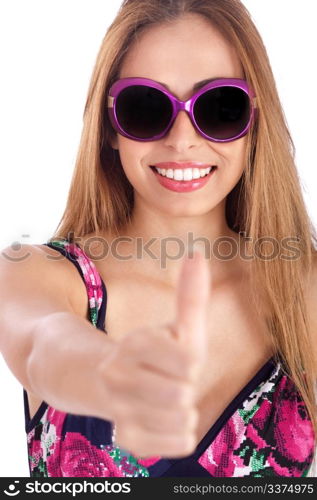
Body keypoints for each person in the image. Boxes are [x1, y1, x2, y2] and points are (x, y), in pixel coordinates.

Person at [1, 0, 317, 478]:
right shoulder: (34, 272)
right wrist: (103, 370)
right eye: (146, 107)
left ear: (256, 122)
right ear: (110, 126)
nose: (182, 139)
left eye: (220, 107)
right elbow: (43, 345)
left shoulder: (304, 290)